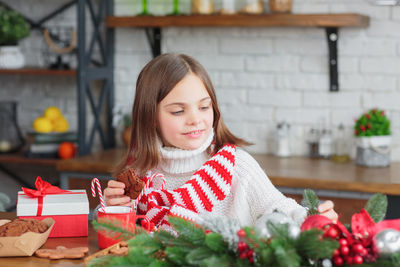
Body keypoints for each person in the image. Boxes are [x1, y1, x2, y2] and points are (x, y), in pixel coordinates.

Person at [104, 53, 337, 230]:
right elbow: (118, 236)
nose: (195, 120)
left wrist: (315, 218)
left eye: (204, 107)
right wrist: (112, 207)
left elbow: (281, 210)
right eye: (178, 111)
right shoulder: (139, 173)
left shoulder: (237, 166)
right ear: (150, 117)